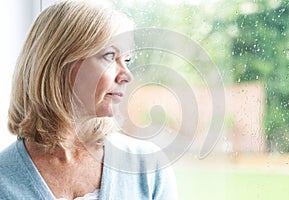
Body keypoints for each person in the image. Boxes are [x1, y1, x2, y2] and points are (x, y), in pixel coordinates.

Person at [0, 1, 178, 199]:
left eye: (126, 60)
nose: (126, 75)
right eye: (110, 56)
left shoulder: (148, 167)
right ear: (59, 63)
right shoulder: (4, 180)